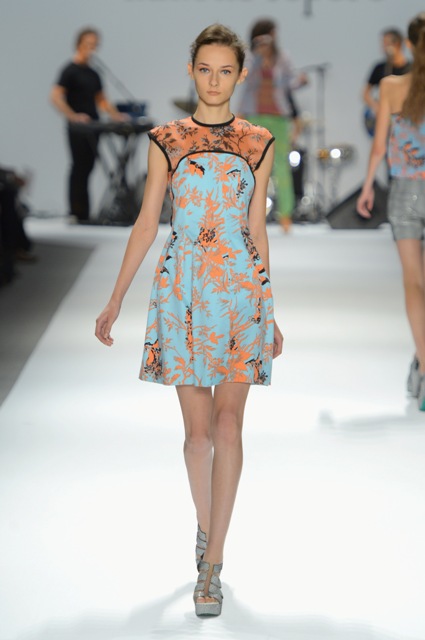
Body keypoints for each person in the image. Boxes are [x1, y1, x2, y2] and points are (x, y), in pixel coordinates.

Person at [95, 24, 283, 616]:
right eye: (205, 69)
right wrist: (116, 298)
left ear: (240, 75)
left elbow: (256, 231)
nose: (214, 80)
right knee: (197, 438)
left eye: (225, 71)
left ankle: (213, 565)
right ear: (191, 70)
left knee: (228, 428)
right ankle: (206, 529)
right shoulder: (167, 139)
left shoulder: (258, 142)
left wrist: (271, 310)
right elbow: (147, 222)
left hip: (240, 295)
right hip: (183, 293)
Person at [357, 13, 425, 411]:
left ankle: (424, 365)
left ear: (410, 45)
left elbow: (380, 146)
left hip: (404, 192)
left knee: (414, 283)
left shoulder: (391, 86)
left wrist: (368, 186)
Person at [237, 18, 307, 233]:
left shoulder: (282, 57)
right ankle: (247, 215)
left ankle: (285, 215)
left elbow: (289, 83)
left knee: (281, 166)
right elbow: (244, 80)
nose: (271, 40)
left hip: (279, 118)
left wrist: (300, 81)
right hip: (254, 116)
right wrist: (258, 57)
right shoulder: (250, 58)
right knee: (251, 166)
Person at [50, 27, 125, 224]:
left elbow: (101, 100)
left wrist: (115, 115)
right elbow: (55, 97)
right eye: (88, 44)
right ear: (79, 44)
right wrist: (72, 115)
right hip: (77, 128)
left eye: (94, 45)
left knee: (89, 166)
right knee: (79, 167)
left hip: (93, 126)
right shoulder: (70, 70)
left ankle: (85, 213)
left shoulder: (93, 73)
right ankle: (76, 212)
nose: (91, 48)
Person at [362, 28, 411, 137]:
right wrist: (376, 108)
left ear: (397, 44)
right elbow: (365, 94)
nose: (383, 47)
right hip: (384, 121)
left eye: (385, 43)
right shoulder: (380, 68)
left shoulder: (411, 69)